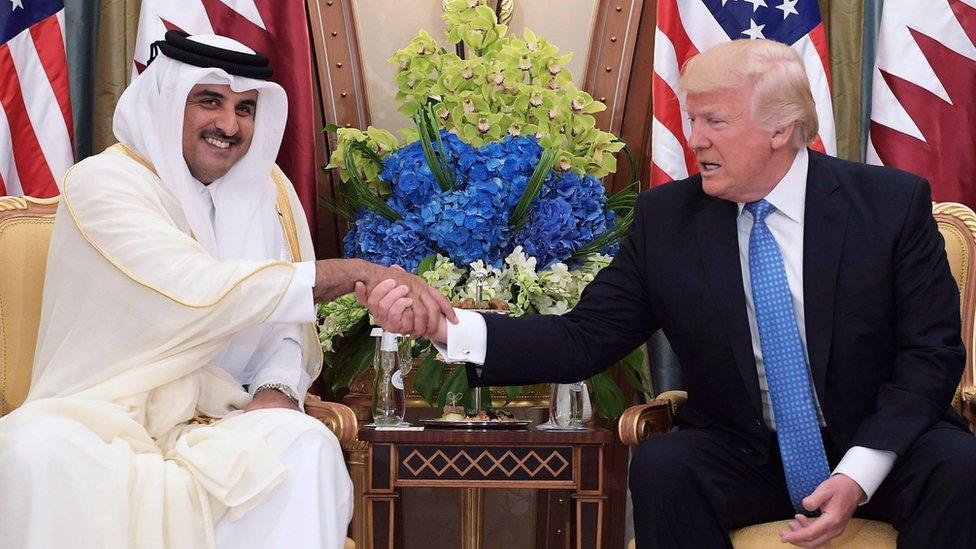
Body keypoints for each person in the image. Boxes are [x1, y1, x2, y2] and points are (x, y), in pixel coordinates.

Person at [362, 39, 976, 548]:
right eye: (691, 118)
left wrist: (857, 474)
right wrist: (445, 327)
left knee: (957, 468)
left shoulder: (889, 205)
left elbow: (931, 355)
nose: (694, 139)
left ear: (781, 130)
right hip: (746, 453)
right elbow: (583, 339)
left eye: (715, 120)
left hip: (875, 443)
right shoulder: (668, 220)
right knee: (663, 467)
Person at [0, 31, 453, 549]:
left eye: (246, 108)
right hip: (102, 417)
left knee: (305, 445)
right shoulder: (104, 183)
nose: (229, 125)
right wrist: (359, 273)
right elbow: (199, 291)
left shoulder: (270, 192)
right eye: (209, 101)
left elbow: (285, 329)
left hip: (222, 419)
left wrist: (276, 391)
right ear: (169, 102)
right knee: (34, 451)